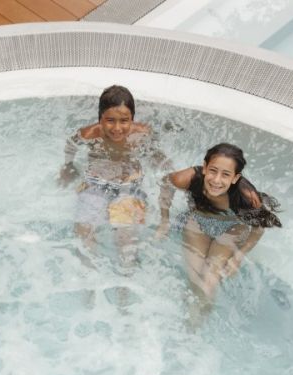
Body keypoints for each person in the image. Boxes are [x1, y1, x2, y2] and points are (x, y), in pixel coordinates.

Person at [158, 143, 281, 305]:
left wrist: (238, 257)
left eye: (225, 174)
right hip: (198, 223)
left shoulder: (247, 197)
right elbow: (166, 183)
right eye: (213, 171)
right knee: (196, 281)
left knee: (209, 282)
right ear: (205, 167)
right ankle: (191, 314)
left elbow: (259, 228)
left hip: (232, 228)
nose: (216, 180)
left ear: (235, 178)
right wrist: (164, 220)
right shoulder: (187, 178)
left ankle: (197, 318)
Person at [60, 84, 172, 258]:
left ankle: (127, 273)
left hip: (130, 186)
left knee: (126, 238)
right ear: (100, 118)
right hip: (95, 184)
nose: (117, 128)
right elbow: (71, 144)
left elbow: (159, 158)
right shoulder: (90, 134)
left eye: (124, 120)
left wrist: (164, 173)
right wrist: (68, 166)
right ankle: (89, 268)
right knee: (84, 229)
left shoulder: (142, 135)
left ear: (132, 119)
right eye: (110, 120)